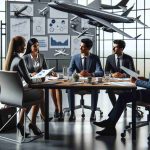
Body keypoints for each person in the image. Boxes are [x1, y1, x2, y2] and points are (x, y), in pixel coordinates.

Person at [4, 36, 43, 137]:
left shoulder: (9, 59)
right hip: (19, 97)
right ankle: (32, 124)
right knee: (40, 92)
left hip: (8, 96)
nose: (25, 47)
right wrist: (39, 78)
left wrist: (31, 75)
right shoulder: (19, 60)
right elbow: (29, 81)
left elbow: (24, 76)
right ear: (18, 46)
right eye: (24, 45)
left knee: (31, 92)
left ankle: (21, 123)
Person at [23, 38, 63, 121]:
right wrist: (31, 74)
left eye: (37, 45)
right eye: (34, 46)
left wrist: (51, 72)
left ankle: (45, 114)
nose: (36, 47)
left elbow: (45, 68)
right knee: (40, 93)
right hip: (30, 81)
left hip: (40, 80)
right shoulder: (25, 58)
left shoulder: (41, 56)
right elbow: (23, 72)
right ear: (29, 47)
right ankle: (43, 115)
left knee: (48, 89)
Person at [67, 38, 104, 121]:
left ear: (88, 48)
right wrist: (76, 74)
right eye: (80, 46)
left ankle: (93, 112)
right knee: (70, 88)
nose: (80, 48)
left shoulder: (95, 58)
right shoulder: (75, 57)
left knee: (95, 88)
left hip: (90, 84)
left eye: (82, 47)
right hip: (78, 83)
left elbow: (101, 72)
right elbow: (69, 70)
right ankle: (72, 112)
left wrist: (90, 74)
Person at [105, 40, 135, 106]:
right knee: (109, 88)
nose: (113, 49)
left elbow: (132, 72)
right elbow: (106, 71)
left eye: (115, 47)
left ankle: (118, 107)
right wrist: (112, 74)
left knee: (126, 91)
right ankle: (115, 106)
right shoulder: (110, 58)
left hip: (125, 82)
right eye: (113, 47)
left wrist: (123, 75)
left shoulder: (128, 58)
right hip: (113, 82)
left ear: (121, 48)